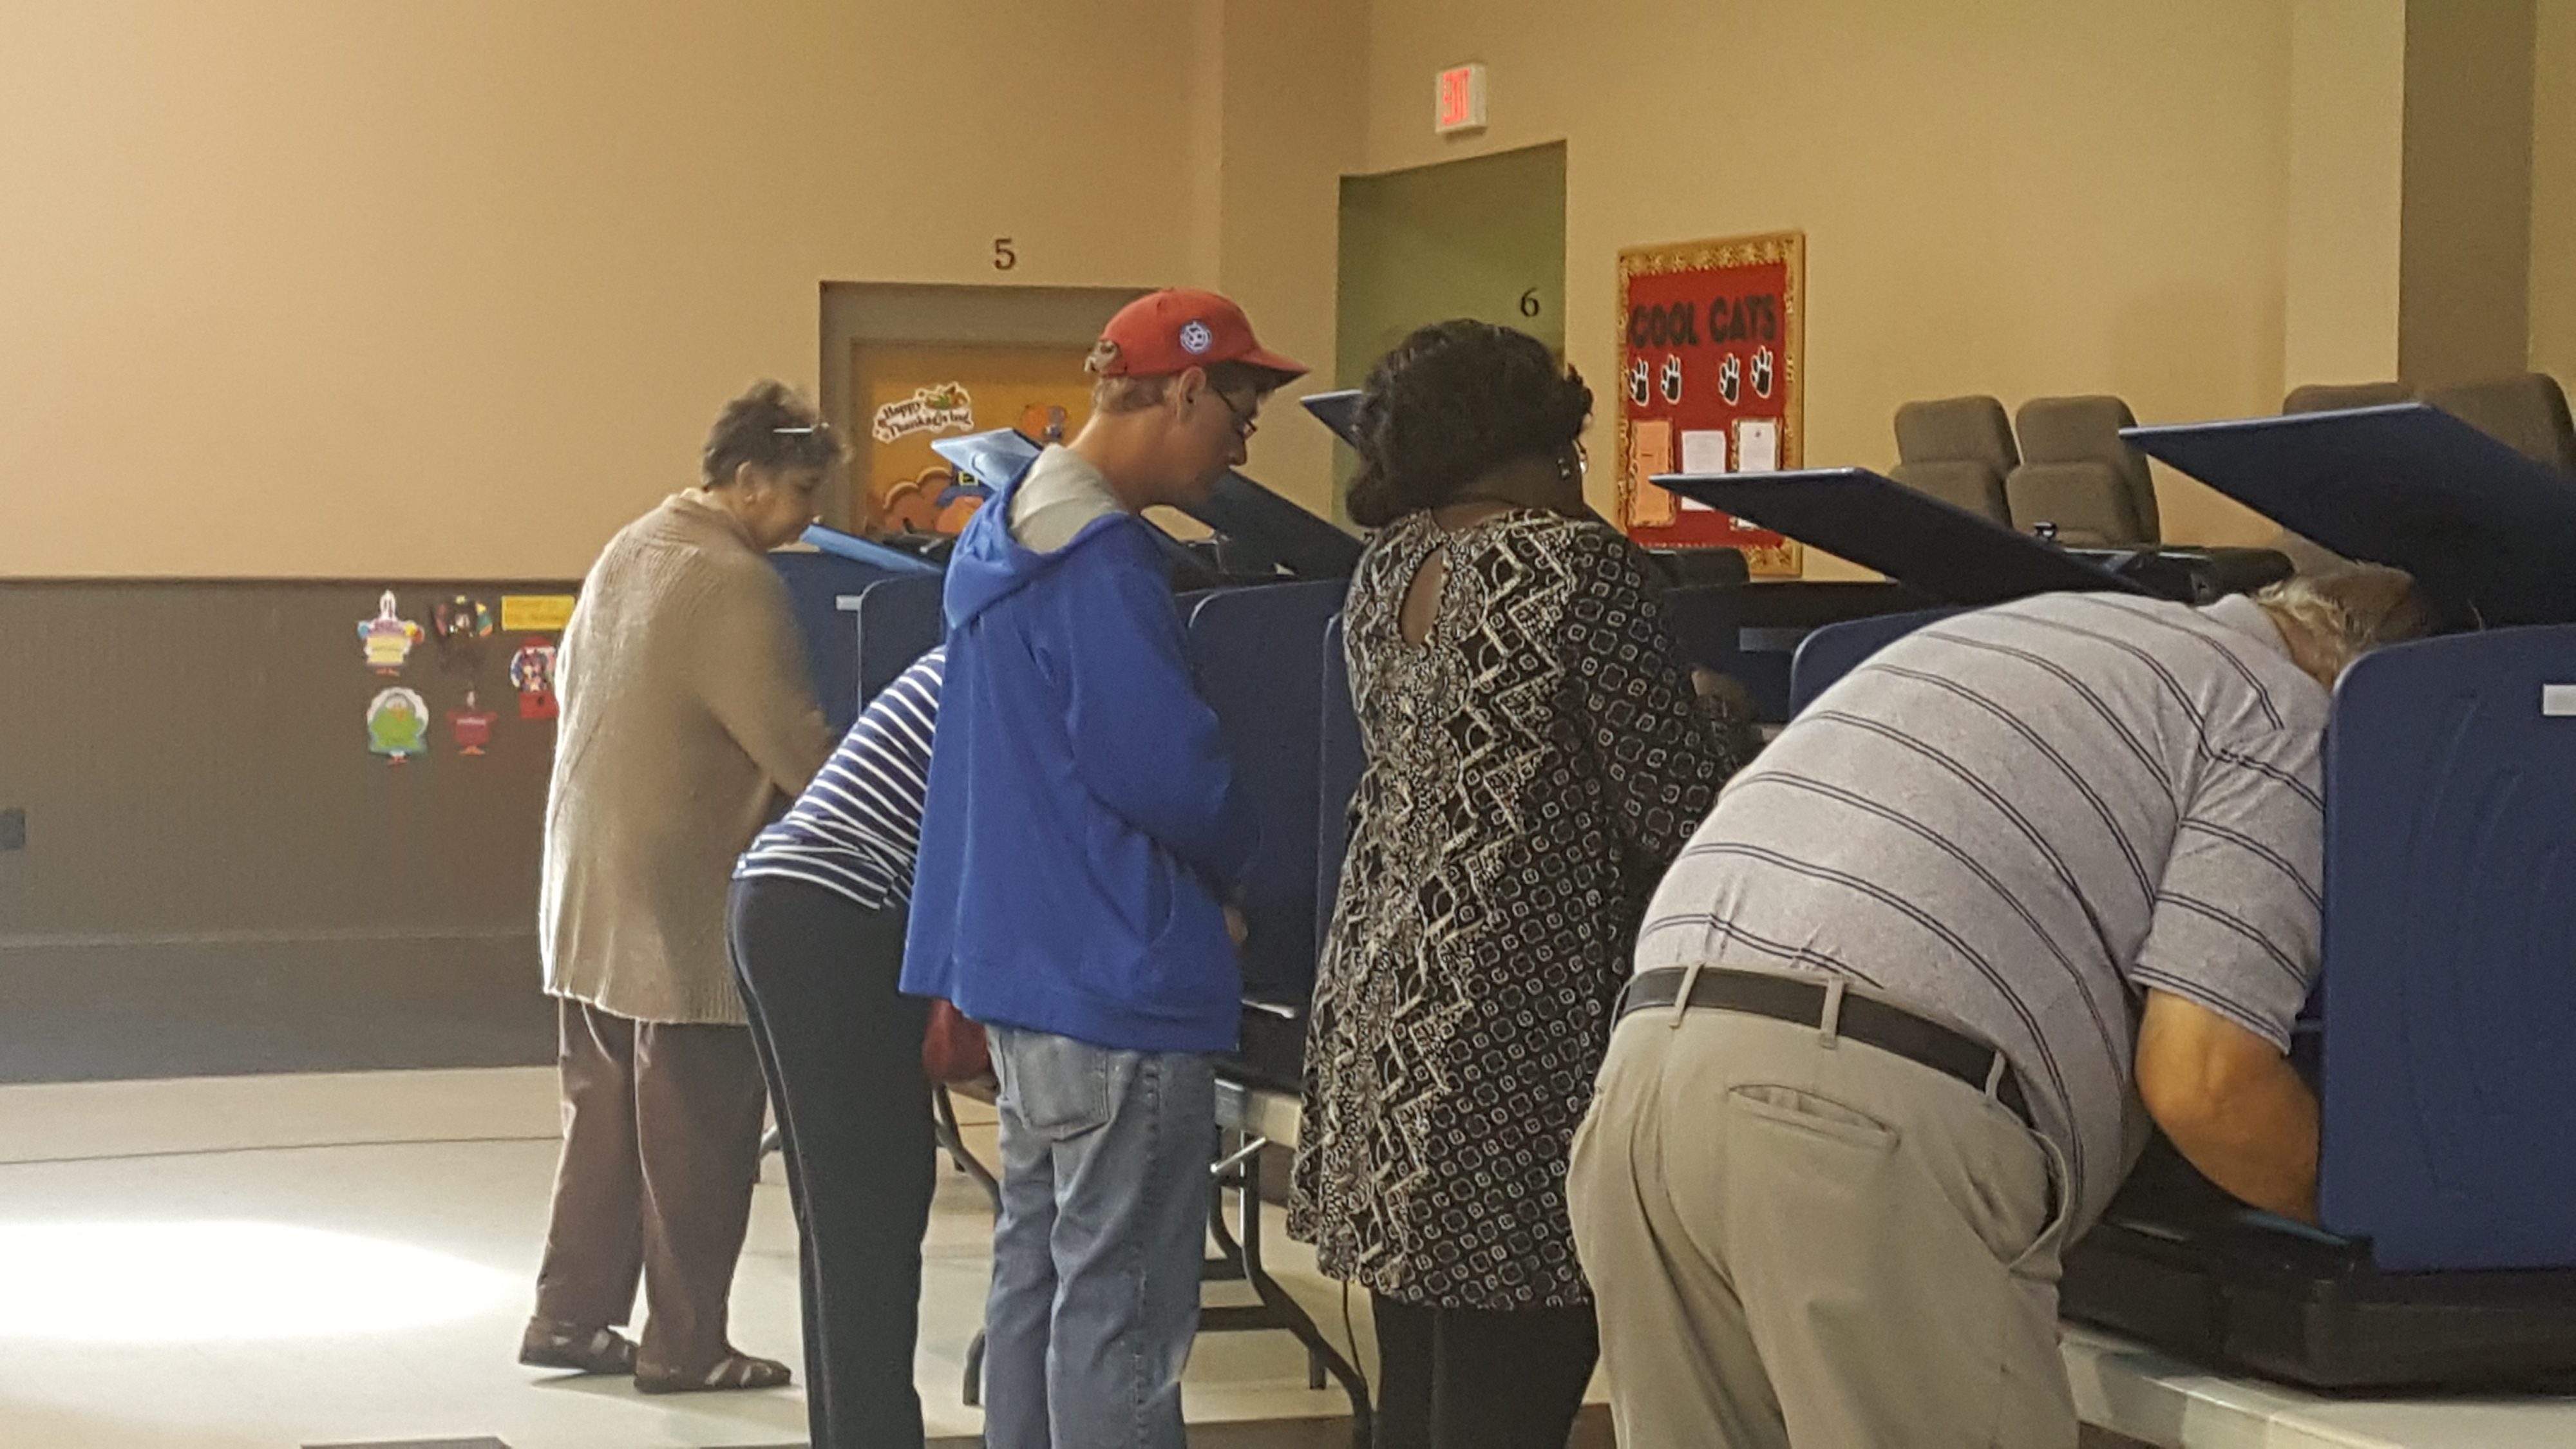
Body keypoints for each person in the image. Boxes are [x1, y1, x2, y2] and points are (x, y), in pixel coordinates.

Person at [1568, 567, 2432, 1448]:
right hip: (1855, 1125)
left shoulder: (2044, 628)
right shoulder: (2282, 712)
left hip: (1644, 1084)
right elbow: (2204, 1080)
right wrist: (2400, 1226)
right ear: (2369, 685)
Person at [1285, 319, 1762, 1449]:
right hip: (1514, 1030)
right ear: (1539, 439)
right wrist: (1719, 716)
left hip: (1386, 1005)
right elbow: (1673, 811)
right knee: (1516, 1382)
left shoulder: (1386, 565)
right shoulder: (1577, 568)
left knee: (1422, 1385)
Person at [902, 289, 1305, 1449]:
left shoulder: (1004, 535)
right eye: (1237, 415)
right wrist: (1246, 870)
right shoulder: (1102, 559)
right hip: (1120, 974)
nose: (1240, 448)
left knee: (1037, 1282)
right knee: (1122, 1315)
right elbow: (1162, 767)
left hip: (1026, 973)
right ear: (1184, 388)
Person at [524, 380, 840, 1394]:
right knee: (700, 1129)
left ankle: (570, 1317)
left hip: (586, 880)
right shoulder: (734, 582)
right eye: (799, 491)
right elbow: (799, 748)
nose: (808, 519)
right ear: (746, 479)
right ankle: (687, 1343)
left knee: (603, 1118)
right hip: (681, 903)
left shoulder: (629, 547)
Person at [729, 645, 945, 1446]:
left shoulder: (972, 649)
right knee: (872, 1220)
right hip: (834, 915)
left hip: (782, 898)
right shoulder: (1019, 668)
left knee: (845, 1221)